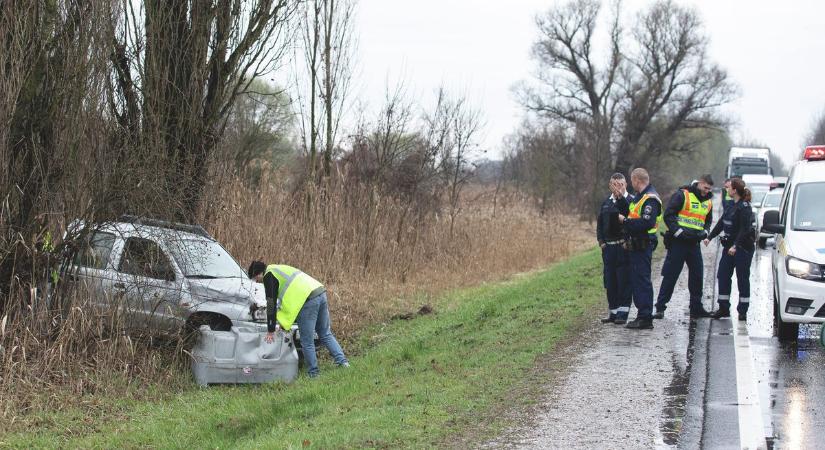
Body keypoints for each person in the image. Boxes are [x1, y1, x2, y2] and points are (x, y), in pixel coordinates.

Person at [248, 261, 349, 377]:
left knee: (307, 341)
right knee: (325, 333)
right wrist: (282, 323)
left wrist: (270, 329)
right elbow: (290, 300)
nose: (258, 282)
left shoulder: (268, 276)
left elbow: (271, 304)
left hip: (308, 301)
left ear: (258, 273)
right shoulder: (278, 269)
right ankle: (343, 363)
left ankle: (313, 373)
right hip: (320, 292)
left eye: (257, 279)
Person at [654, 175, 714, 319]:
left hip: (694, 243)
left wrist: (705, 233)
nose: (707, 191)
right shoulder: (683, 195)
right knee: (670, 275)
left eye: (709, 189)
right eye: (705, 187)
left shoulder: (708, 202)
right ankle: (660, 308)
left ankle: (696, 308)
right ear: (699, 183)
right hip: (679, 243)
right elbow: (669, 215)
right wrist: (679, 232)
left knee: (697, 276)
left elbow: (708, 221)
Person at [704, 178, 756, 320]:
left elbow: (744, 230)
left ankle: (743, 311)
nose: (726, 189)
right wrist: (710, 236)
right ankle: (723, 308)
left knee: (742, 279)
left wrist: (735, 246)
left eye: (729, 188)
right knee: (722, 275)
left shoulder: (744, 207)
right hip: (729, 248)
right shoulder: (730, 205)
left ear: (734, 190)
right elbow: (722, 222)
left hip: (742, 249)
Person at [619, 168, 663, 330]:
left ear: (637, 180)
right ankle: (642, 315)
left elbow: (646, 223)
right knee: (637, 280)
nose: (631, 184)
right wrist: (622, 196)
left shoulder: (650, 199)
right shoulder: (640, 198)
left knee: (642, 281)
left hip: (643, 244)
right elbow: (632, 213)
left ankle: (645, 317)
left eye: (632, 181)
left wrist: (624, 222)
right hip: (636, 244)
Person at [597, 173, 633, 325]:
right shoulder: (606, 202)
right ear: (610, 185)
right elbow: (600, 223)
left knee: (623, 280)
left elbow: (631, 221)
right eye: (614, 185)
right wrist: (601, 241)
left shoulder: (631, 201)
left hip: (623, 247)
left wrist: (627, 240)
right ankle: (613, 312)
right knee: (610, 281)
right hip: (608, 248)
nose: (617, 188)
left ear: (626, 185)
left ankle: (622, 314)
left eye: (620, 185)